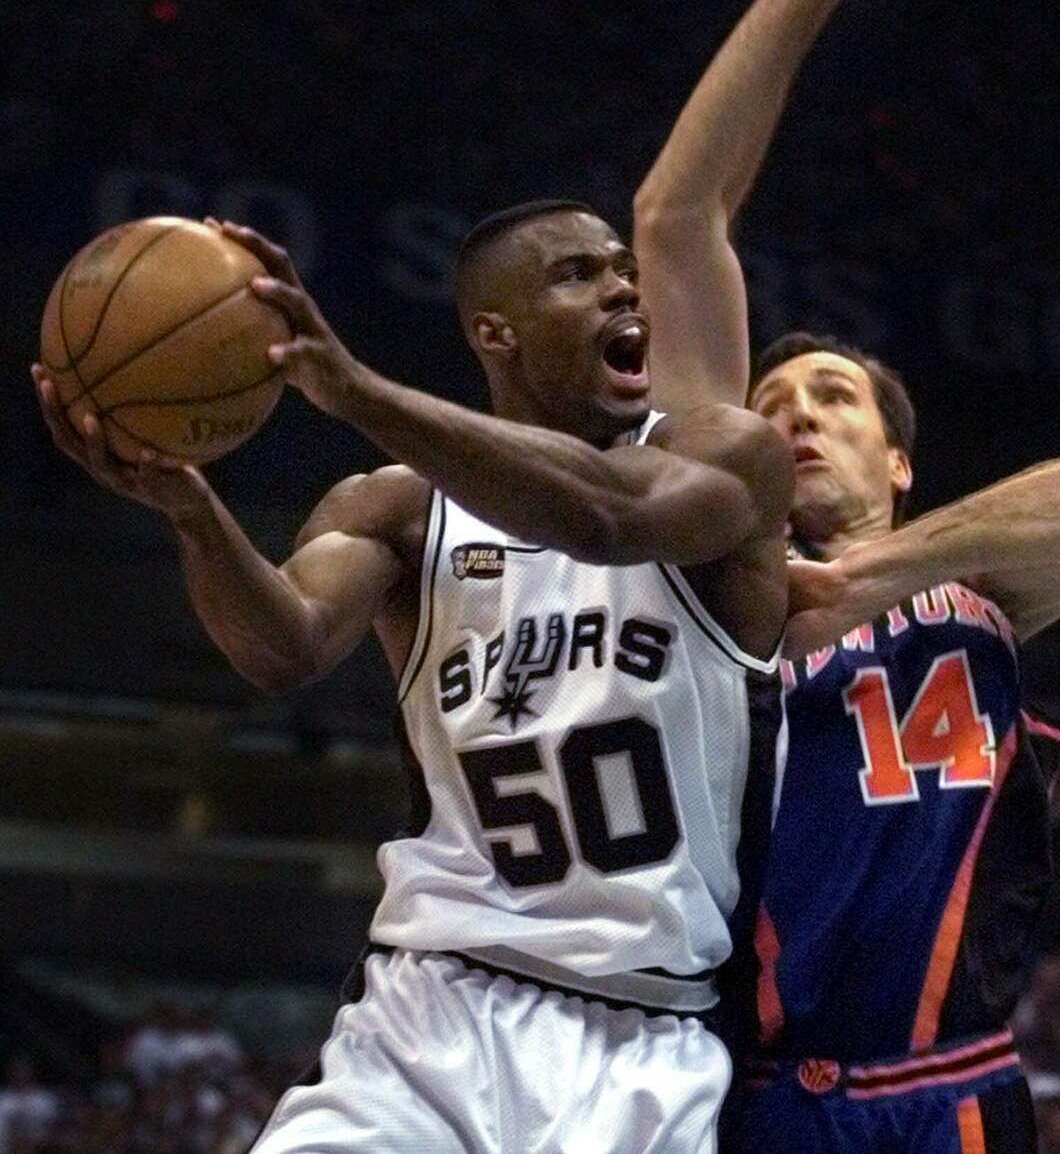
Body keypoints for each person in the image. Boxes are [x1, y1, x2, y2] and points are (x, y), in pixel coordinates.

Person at [33, 200, 794, 1153]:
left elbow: (607, 520)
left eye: (623, 271)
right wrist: (192, 514)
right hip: (429, 1008)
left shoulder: (728, 457)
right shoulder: (393, 507)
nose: (622, 286)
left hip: (640, 1031)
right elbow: (286, 646)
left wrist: (355, 391)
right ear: (496, 332)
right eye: (580, 274)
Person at [633, 0, 1060, 1153]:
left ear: (901, 457)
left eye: (833, 398)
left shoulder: (977, 577)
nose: (798, 415)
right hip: (737, 1096)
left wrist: (862, 575)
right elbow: (675, 219)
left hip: (950, 1093)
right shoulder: (716, 579)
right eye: (773, 401)